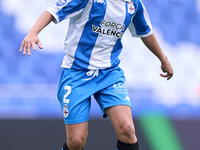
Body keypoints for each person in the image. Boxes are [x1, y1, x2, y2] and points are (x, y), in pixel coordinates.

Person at [20, 0, 173, 149]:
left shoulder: (134, 4)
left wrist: (163, 59)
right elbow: (52, 11)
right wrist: (33, 32)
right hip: (76, 73)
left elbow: (145, 32)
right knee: (76, 141)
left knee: (127, 129)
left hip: (109, 74)